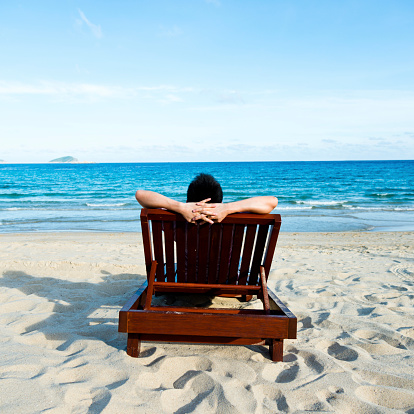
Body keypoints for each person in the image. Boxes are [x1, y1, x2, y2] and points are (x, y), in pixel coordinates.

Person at [135, 173, 278, 224]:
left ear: (187, 202)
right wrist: (228, 208)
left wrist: (179, 207)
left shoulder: (175, 219)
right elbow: (272, 201)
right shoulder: (232, 218)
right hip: (226, 281)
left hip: (184, 279)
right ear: (221, 202)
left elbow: (140, 195)